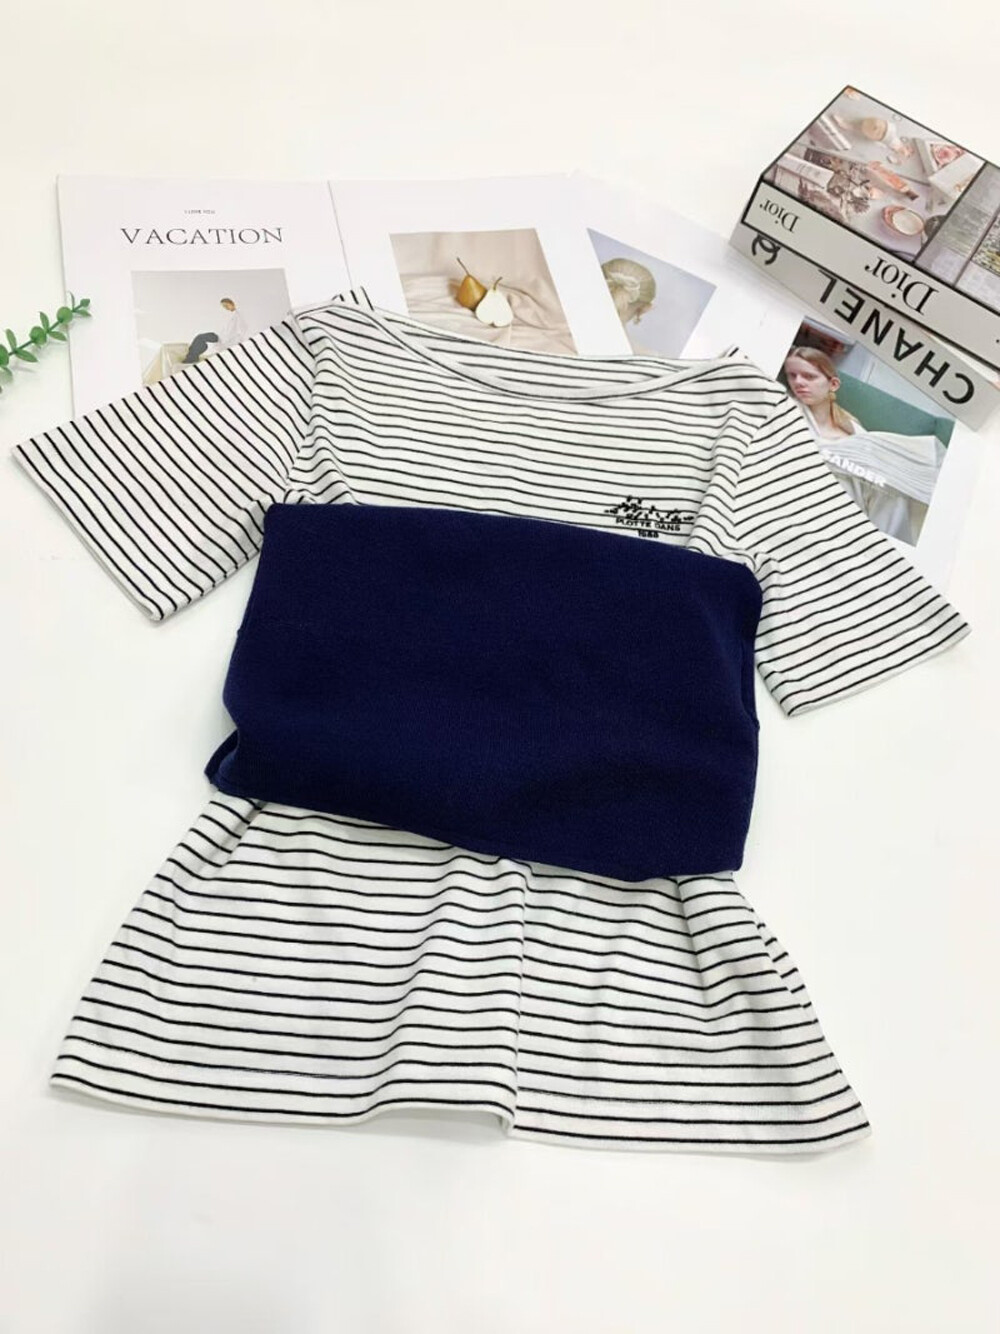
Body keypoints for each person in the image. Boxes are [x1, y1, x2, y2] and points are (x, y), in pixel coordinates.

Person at [783, 345, 863, 440]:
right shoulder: (784, 414)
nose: (797, 382)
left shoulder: (854, 427)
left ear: (833, 384)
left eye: (809, 376)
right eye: (792, 376)